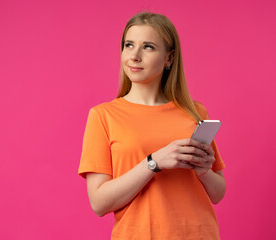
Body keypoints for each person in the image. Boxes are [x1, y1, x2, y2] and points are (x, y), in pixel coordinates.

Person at [78, 12, 226, 240]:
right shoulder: (103, 115)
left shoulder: (195, 112)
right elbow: (99, 203)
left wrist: (204, 172)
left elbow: (218, 193)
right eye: (129, 45)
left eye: (148, 47)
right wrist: (153, 162)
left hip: (200, 233)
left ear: (169, 58)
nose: (134, 56)